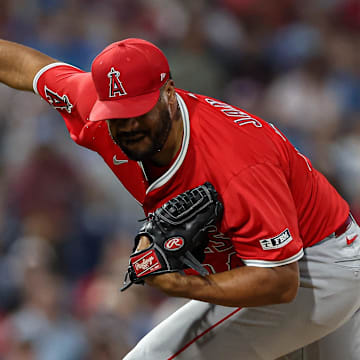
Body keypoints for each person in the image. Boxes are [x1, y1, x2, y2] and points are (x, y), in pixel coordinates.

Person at [0, 38, 360, 360]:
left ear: (169, 94)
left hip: (316, 267)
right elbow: (30, 68)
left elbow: (282, 280)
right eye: (117, 115)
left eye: (138, 112)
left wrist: (182, 285)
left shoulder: (235, 161)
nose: (128, 126)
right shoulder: (95, 108)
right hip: (291, 265)